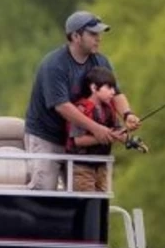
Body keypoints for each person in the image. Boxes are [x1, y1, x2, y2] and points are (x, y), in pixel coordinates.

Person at [23, 10, 140, 190]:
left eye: (99, 33)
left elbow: (116, 93)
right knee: (44, 191)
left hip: (77, 141)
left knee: (81, 194)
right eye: (93, 34)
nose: (98, 38)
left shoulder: (101, 62)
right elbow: (62, 106)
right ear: (75, 36)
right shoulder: (54, 65)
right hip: (47, 136)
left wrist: (127, 114)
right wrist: (96, 129)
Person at [66, 66, 121, 193]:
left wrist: (124, 135)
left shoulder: (109, 110)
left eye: (114, 88)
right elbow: (78, 140)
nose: (113, 92)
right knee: (86, 204)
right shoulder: (80, 110)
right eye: (109, 88)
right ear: (94, 88)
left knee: (102, 203)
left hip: (102, 166)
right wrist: (105, 136)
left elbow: (118, 131)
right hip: (82, 167)